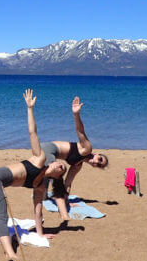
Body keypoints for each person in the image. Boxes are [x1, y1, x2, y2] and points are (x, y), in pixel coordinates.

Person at [0, 90, 67, 260]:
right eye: (60, 163)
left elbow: (38, 212)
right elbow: (33, 133)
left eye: (62, 168)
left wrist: (40, 235)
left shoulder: (40, 186)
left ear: (57, 176)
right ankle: (9, 252)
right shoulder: (39, 159)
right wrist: (30, 108)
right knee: (1, 215)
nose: (59, 163)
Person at [34, 96, 108, 224]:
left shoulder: (78, 166)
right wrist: (76, 114)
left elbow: (68, 184)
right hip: (47, 149)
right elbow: (80, 131)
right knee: (58, 173)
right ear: (96, 154)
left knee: (54, 177)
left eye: (98, 165)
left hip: (49, 156)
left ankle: (46, 196)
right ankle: (63, 214)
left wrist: (68, 201)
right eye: (100, 159)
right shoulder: (87, 149)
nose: (97, 162)